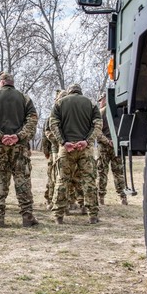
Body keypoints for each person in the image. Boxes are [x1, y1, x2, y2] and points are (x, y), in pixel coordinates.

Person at [0, 72, 39, 228]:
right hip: (19, 147)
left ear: (1, 82)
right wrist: (18, 136)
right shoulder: (24, 97)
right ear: (12, 82)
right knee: (23, 181)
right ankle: (27, 217)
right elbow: (33, 118)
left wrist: (0, 136)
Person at [49, 83, 102, 224]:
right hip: (85, 149)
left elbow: (53, 124)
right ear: (80, 91)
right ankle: (93, 215)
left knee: (62, 181)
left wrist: (63, 141)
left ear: (70, 91)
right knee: (89, 181)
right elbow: (98, 124)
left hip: (66, 149)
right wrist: (87, 141)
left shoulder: (60, 103)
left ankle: (58, 216)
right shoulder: (90, 103)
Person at [97, 94, 128, 205]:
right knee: (118, 173)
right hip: (116, 146)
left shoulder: (100, 113)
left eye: (100, 100)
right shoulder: (119, 111)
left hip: (104, 147)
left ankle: (101, 198)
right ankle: (123, 197)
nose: (99, 102)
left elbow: (97, 132)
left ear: (105, 99)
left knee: (102, 172)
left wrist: (106, 141)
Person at [41, 90, 63, 210]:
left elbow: (46, 136)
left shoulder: (55, 116)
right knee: (54, 177)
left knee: (57, 177)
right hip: (55, 150)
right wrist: (46, 151)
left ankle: (53, 200)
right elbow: (46, 136)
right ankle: (50, 199)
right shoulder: (51, 117)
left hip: (60, 150)